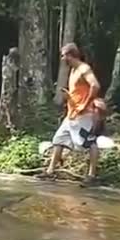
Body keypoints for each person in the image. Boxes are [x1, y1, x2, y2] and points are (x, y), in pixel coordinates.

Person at [37, 43, 102, 186]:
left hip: (83, 113)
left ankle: (92, 175)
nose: (62, 59)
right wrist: (69, 96)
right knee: (58, 139)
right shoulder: (73, 71)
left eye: (63, 55)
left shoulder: (84, 68)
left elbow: (95, 85)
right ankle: (50, 171)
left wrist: (85, 104)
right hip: (72, 113)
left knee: (89, 142)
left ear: (70, 55)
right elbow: (79, 91)